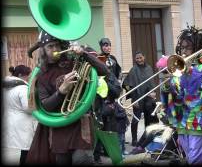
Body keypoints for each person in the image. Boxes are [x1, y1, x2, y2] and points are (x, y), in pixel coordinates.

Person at [25, 31, 109, 165]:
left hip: (80, 123)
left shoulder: (74, 60)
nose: (55, 50)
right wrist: (61, 91)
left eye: (57, 45)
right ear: (43, 50)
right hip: (59, 126)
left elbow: (104, 71)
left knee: (82, 160)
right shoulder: (42, 74)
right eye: (50, 46)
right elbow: (46, 105)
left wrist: (84, 54)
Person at [161, 25, 202, 165]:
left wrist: (190, 71)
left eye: (188, 48)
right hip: (181, 122)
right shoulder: (178, 70)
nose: (184, 51)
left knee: (194, 161)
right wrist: (167, 85)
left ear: (197, 49)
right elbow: (177, 97)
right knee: (192, 158)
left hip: (199, 121)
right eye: (182, 48)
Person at [2, 65, 37, 165]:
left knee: (23, 149)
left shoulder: (6, 87)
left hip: (10, 120)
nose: (29, 77)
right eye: (28, 75)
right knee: (26, 150)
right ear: (21, 75)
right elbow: (28, 108)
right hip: (23, 123)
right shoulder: (22, 88)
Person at [122, 51, 159, 146]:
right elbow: (126, 84)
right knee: (136, 119)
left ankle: (147, 137)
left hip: (148, 98)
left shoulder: (149, 68)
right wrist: (133, 99)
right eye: (137, 58)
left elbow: (151, 83)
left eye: (140, 57)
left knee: (148, 118)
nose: (139, 60)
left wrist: (153, 93)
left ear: (144, 57)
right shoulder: (133, 70)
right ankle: (134, 139)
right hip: (137, 98)